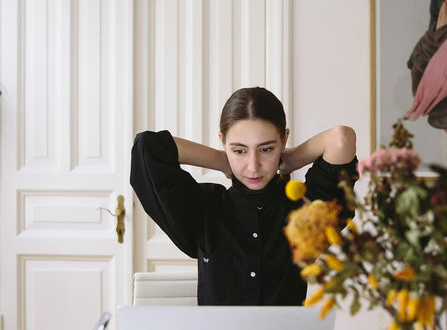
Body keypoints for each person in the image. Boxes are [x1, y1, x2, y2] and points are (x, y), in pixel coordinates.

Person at [130, 87, 358, 306]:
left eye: (266, 149)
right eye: (239, 150)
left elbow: (341, 138)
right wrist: (221, 160)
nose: (253, 167)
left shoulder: (304, 212)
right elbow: (147, 147)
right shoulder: (204, 207)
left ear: (284, 140)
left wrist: (291, 159)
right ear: (223, 142)